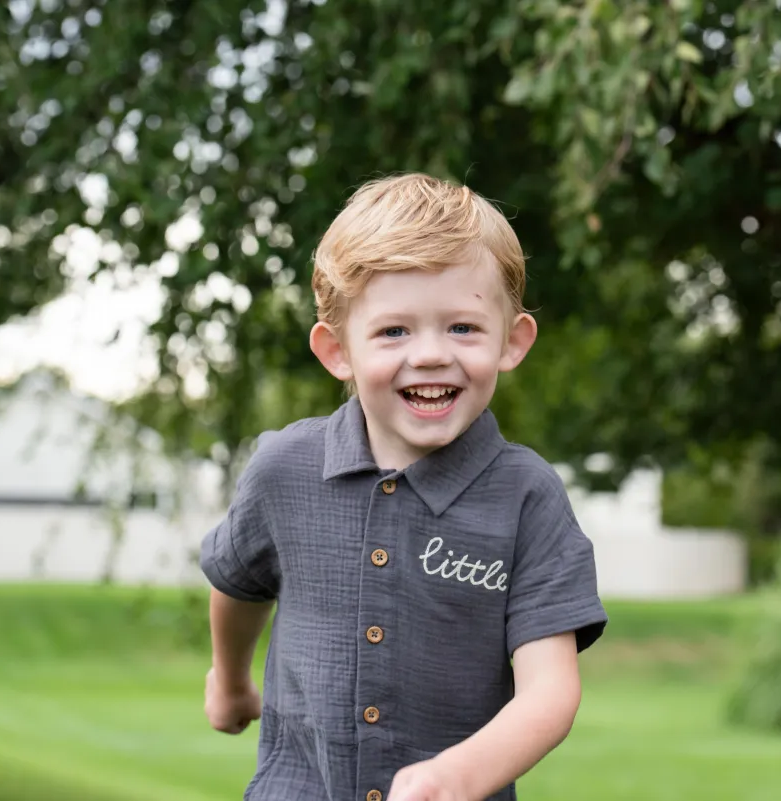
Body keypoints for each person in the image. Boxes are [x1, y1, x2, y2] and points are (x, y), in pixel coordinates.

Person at [199, 172, 608, 801]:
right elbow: (237, 581)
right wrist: (229, 680)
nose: (430, 355)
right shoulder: (284, 468)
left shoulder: (527, 496)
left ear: (512, 340)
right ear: (338, 351)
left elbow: (550, 693)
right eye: (394, 331)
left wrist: (459, 776)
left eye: (463, 328)